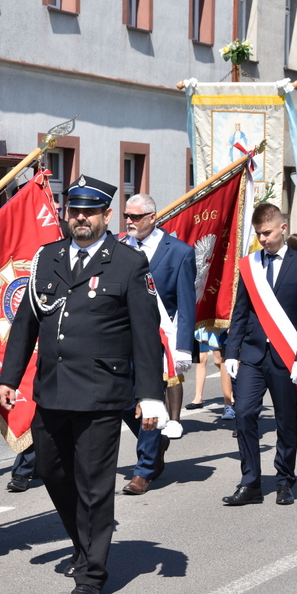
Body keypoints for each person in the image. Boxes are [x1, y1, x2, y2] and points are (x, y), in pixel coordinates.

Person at [0, 175, 165, 594]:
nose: (81, 218)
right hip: (52, 390)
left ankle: (92, 572)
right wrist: (9, 379)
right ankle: (83, 541)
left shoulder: (127, 262)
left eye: (90, 211)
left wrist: (150, 396)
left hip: (100, 393)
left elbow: (146, 335)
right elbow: (26, 324)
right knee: (51, 471)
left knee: (94, 484)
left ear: (107, 215)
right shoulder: (47, 257)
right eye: (74, 211)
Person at [223, 204, 297, 506]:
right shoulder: (249, 265)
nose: (262, 239)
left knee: (286, 421)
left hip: (285, 356)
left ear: (282, 227)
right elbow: (241, 312)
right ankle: (250, 482)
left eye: (267, 232)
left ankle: (284, 481)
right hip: (252, 353)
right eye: (258, 234)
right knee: (244, 414)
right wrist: (230, 352)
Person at [117, 193, 195, 495]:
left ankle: (145, 469)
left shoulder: (178, 252)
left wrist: (183, 347)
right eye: (126, 215)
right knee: (124, 402)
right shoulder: (118, 246)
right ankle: (156, 438)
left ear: (153, 217)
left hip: (156, 341)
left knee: (149, 400)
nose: (129, 222)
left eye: (135, 217)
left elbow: (187, 305)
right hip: (121, 341)